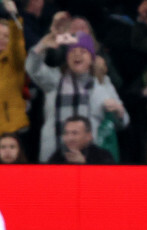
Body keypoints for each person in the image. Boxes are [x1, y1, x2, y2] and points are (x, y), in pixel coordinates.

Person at [25, 30, 129, 162]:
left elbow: (123, 122)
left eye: (83, 51)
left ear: (91, 59)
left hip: (89, 160)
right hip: (53, 159)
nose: (77, 54)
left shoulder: (103, 85)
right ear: (67, 58)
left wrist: (118, 111)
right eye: (73, 51)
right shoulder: (54, 80)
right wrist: (42, 46)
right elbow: (32, 68)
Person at [0, 3, 29, 136]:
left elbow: (17, 44)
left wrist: (14, 16)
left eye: (6, 36)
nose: (1, 39)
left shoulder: (16, 61)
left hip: (14, 129)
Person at [48, 115, 116, 164]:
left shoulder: (103, 156)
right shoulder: (58, 155)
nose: (69, 138)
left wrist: (84, 165)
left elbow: (108, 181)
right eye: (66, 133)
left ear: (88, 136)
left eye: (74, 133)